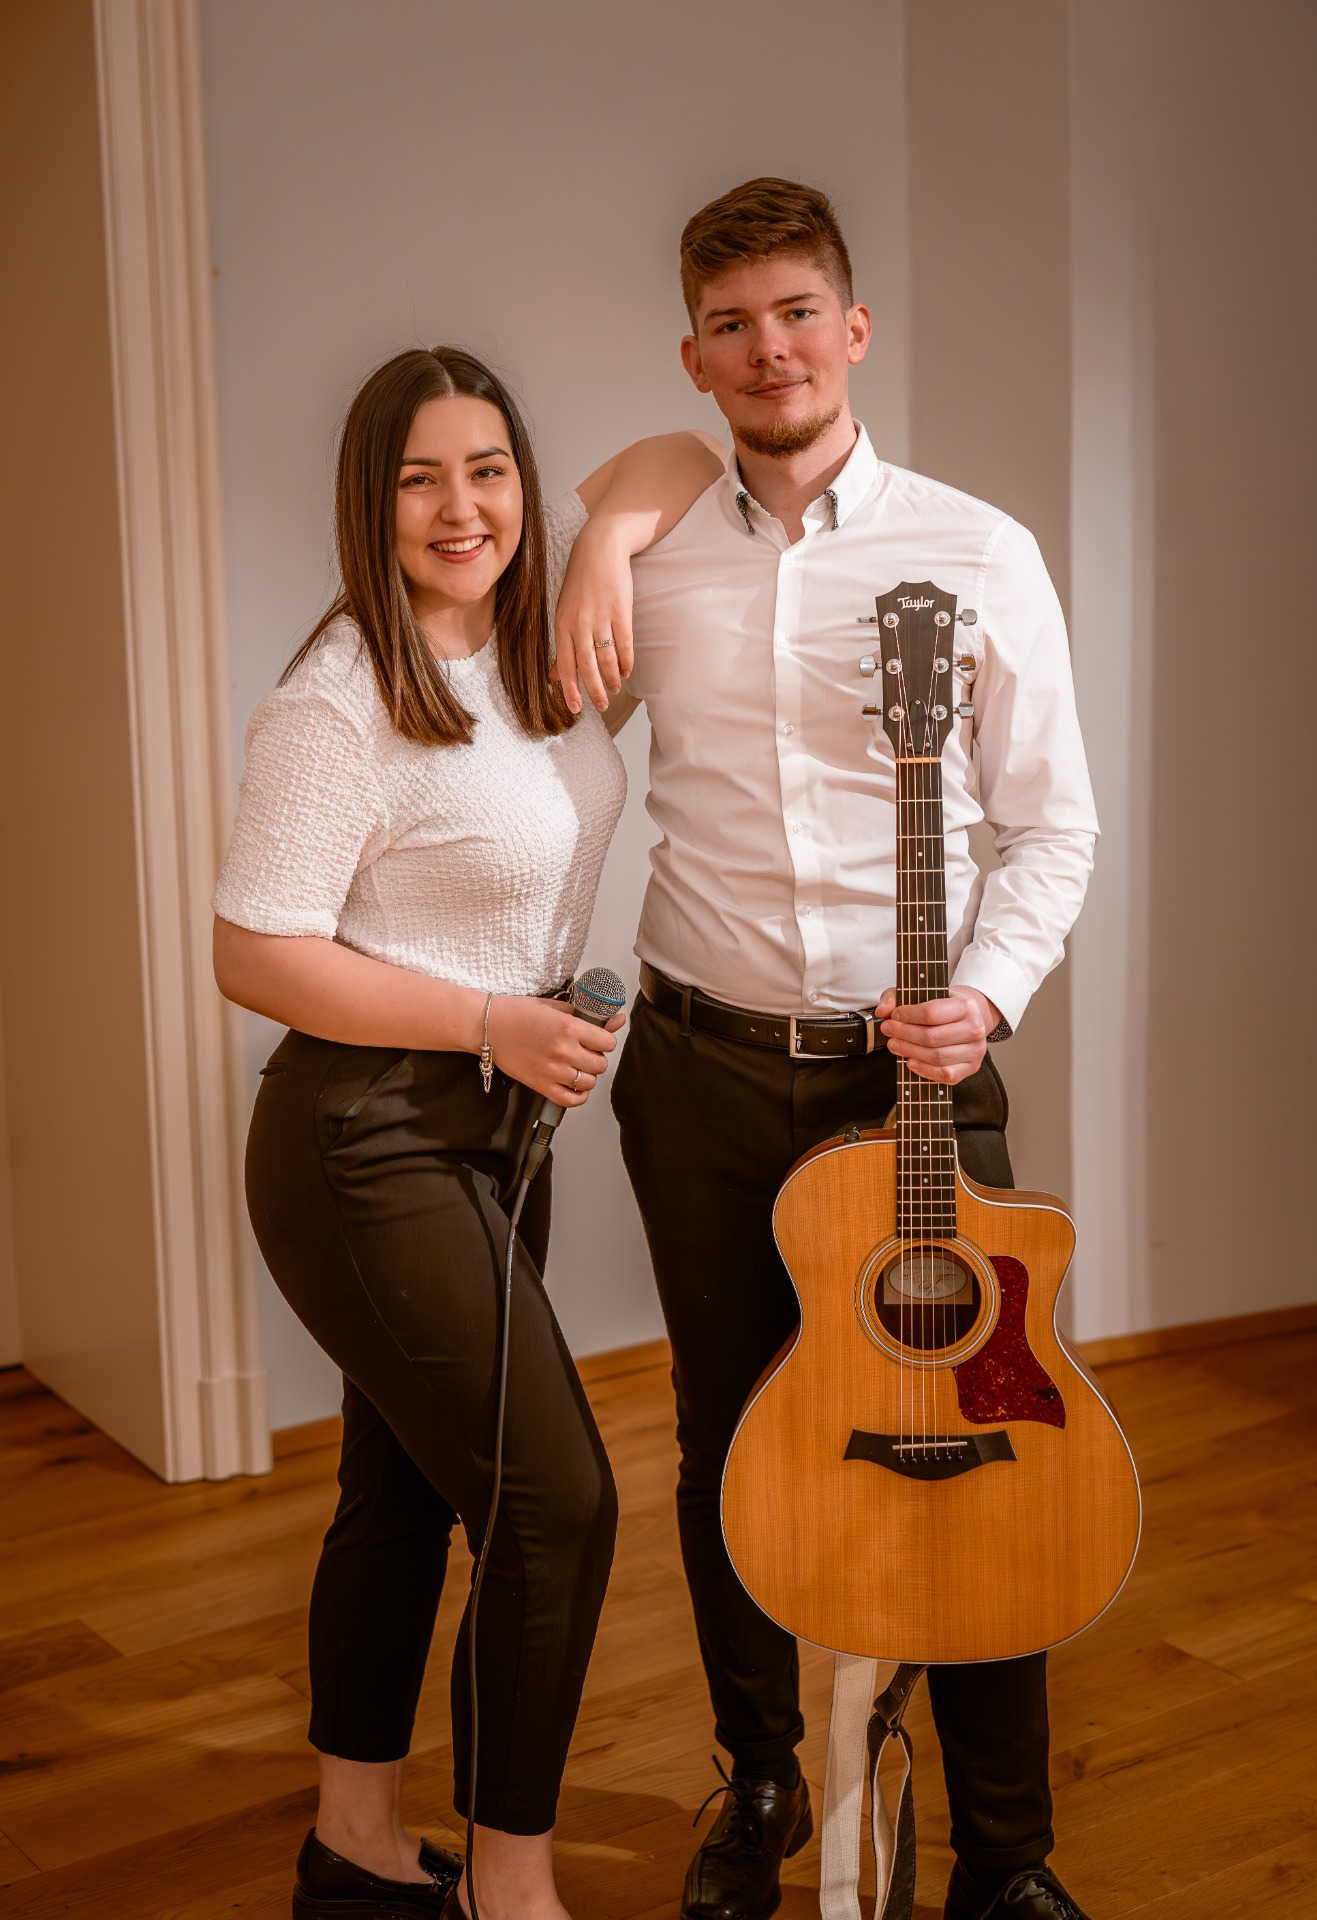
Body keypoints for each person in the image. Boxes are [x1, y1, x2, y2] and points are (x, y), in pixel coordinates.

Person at [553, 178, 1101, 1920]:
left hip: (911, 1077)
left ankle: (1004, 1857)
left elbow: (1053, 824)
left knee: (991, 1435)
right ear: (692, 357)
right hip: (702, 1067)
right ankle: (764, 1780)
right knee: (731, 1437)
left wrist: (985, 993)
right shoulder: (652, 552)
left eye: (796, 313)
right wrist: (597, 531)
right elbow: (539, 737)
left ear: (853, 330)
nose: (768, 349)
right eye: (730, 324)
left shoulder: (976, 549)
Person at [212, 344, 719, 1920]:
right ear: (369, 500)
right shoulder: (338, 700)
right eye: (419, 477)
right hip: (364, 1141)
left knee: (404, 1491)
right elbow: (254, 952)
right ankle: (513, 1888)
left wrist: (603, 546)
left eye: (487, 470)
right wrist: (493, 1022)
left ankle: (353, 1846)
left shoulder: (539, 632)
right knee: (555, 1503)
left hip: (498, 1141)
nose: (461, 507)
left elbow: (681, 459)